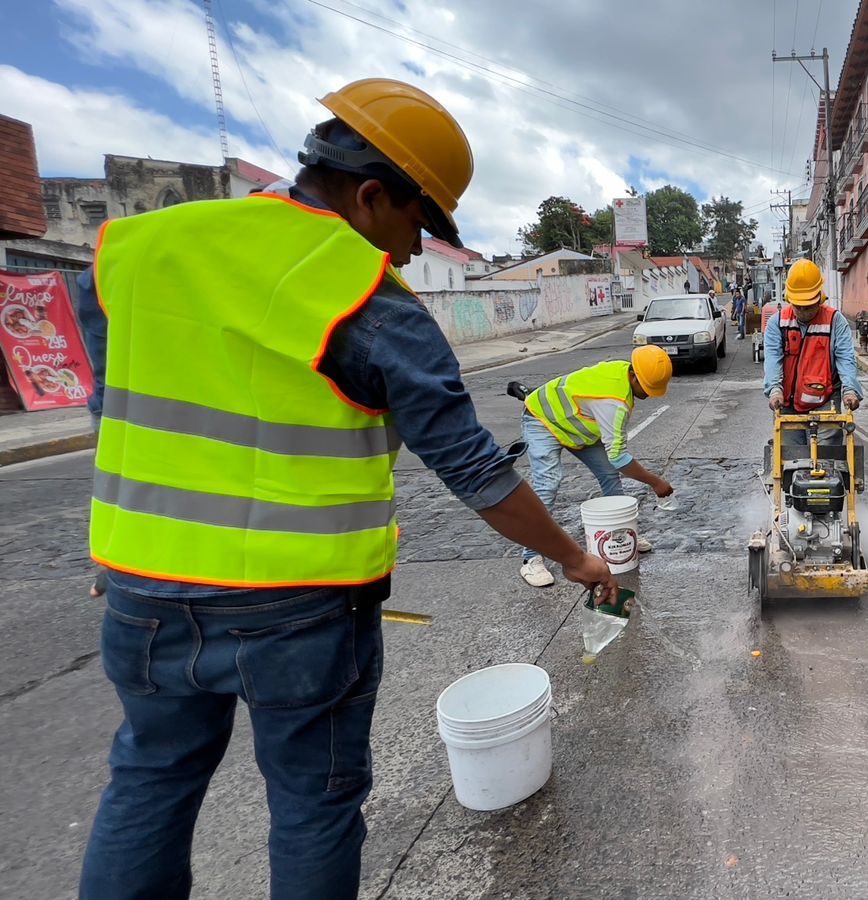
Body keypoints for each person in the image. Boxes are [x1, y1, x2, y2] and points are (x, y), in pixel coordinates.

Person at [75, 79, 617, 900]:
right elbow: (472, 468)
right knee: (313, 807)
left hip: (142, 594)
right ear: (370, 195)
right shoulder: (368, 299)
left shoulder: (137, 251)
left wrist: (128, 546)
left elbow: (116, 412)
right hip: (300, 607)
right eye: (418, 225)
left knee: (148, 781)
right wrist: (572, 557)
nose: (412, 252)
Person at [518, 346, 675, 587]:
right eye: (645, 387)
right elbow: (619, 458)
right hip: (543, 420)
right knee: (547, 484)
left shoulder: (623, 372)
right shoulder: (614, 401)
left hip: (577, 427)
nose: (648, 394)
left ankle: (622, 536)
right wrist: (656, 482)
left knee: (609, 476)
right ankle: (530, 558)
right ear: (633, 374)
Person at [763, 258, 863, 444]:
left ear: (819, 297)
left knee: (827, 459)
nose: (803, 311)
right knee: (789, 457)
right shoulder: (777, 323)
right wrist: (775, 391)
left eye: (808, 306)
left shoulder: (835, 321)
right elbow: (772, 360)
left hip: (825, 400)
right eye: (798, 306)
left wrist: (850, 391)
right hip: (787, 403)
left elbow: (845, 358)